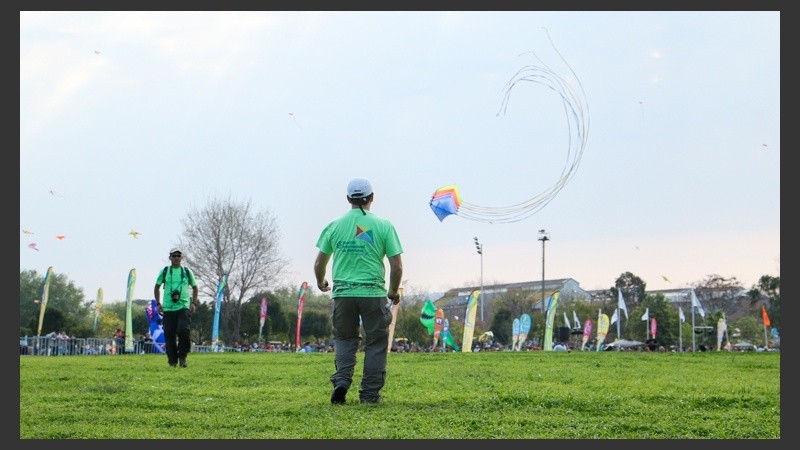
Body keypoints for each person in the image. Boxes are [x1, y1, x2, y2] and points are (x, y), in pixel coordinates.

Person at [314, 177, 403, 405]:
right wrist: (392, 291)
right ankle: (370, 395)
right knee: (375, 343)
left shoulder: (334, 226)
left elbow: (319, 264)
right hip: (373, 294)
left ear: (348, 199)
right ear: (372, 197)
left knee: (344, 339)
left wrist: (321, 282)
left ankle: (342, 381)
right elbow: (397, 266)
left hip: (343, 294)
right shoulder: (384, 226)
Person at [154, 247, 198, 368]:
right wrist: (158, 303)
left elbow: (195, 287)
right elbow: (156, 287)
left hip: (183, 306)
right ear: (170, 257)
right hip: (168, 307)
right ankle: (172, 361)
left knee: (183, 330)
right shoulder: (165, 271)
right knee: (169, 334)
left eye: (179, 256)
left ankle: (183, 357)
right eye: (174, 256)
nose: (176, 258)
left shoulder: (187, 271)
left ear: (182, 258)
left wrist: (193, 303)